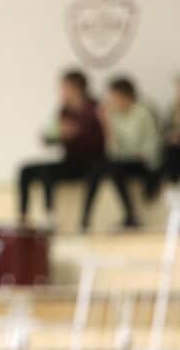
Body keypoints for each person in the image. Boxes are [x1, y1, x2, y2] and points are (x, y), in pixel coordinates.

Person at [18, 69, 105, 226]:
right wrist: (56, 135)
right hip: (70, 160)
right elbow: (50, 137)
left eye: (64, 87)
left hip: (90, 163)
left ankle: (52, 218)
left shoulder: (95, 108)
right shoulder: (64, 110)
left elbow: (103, 139)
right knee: (26, 169)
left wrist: (77, 134)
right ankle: (24, 217)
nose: (61, 91)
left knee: (48, 172)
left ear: (76, 88)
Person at [81, 77, 160, 230]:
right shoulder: (114, 115)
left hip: (145, 161)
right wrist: (106, 124)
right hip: (123, 161)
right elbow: (113, 151)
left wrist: (141, 154)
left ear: (125, 95)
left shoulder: (142, 112)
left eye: (113, 96)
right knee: (98, 167)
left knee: (113, 167)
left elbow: (153, 142)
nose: (111, 101)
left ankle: (130, 215)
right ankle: (85, 218)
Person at [161, 77, 180, 183]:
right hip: (175, 147)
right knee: (171, 149)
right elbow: (165, 130)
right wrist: (172, 136)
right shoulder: (172, 108)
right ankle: (174, 183)